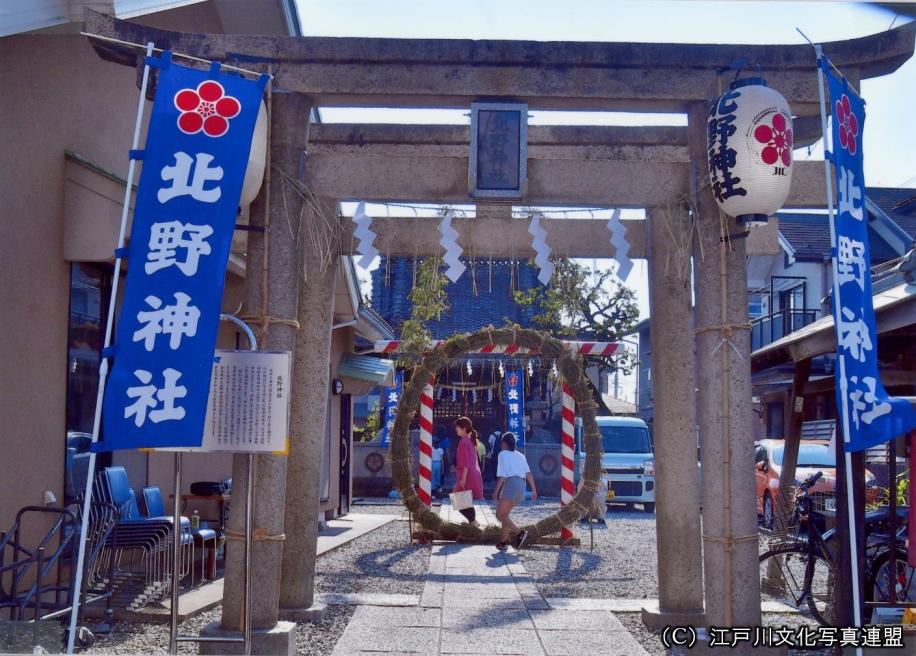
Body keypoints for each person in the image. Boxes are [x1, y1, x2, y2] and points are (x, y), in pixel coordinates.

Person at [492, 432, 537, 550]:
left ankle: (519, 533)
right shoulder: (521, 455)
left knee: (500, 515)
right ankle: (503, 540)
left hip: (511, 484)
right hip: (521, 485)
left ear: (503, 443)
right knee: (505, 515)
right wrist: (534, 490)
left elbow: (502, 476)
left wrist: (496, 491)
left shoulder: (502, 454)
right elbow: (529, 474)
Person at [452, 416, 484, 525]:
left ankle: (473, 521)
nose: (456, 429)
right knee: (465, 500)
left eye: (457, 427)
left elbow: (465, 462)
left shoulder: (463, 442)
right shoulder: (470, 441)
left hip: (467, 475)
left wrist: (463, 478)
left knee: (458, 499)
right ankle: (472, 522)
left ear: (464, 428)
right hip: (473, 473)